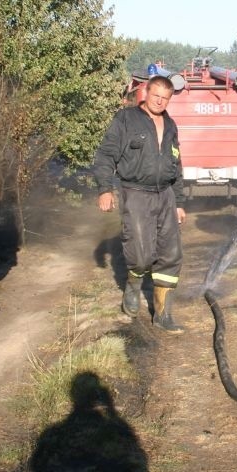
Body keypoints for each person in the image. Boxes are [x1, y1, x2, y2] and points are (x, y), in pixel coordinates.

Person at [93, 75, 186, 333]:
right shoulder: (126, 119)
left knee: (171, 253)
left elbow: (176, 164)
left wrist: (178, 201)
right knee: (142, 254)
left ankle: (163, 315)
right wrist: (105, 189)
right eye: (156, 95)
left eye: (165, 98)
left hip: (166, 194)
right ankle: (133, 285)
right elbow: (105, 155)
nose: (160, 101)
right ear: (146, 92)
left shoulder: (170, 125)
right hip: (135, 192)